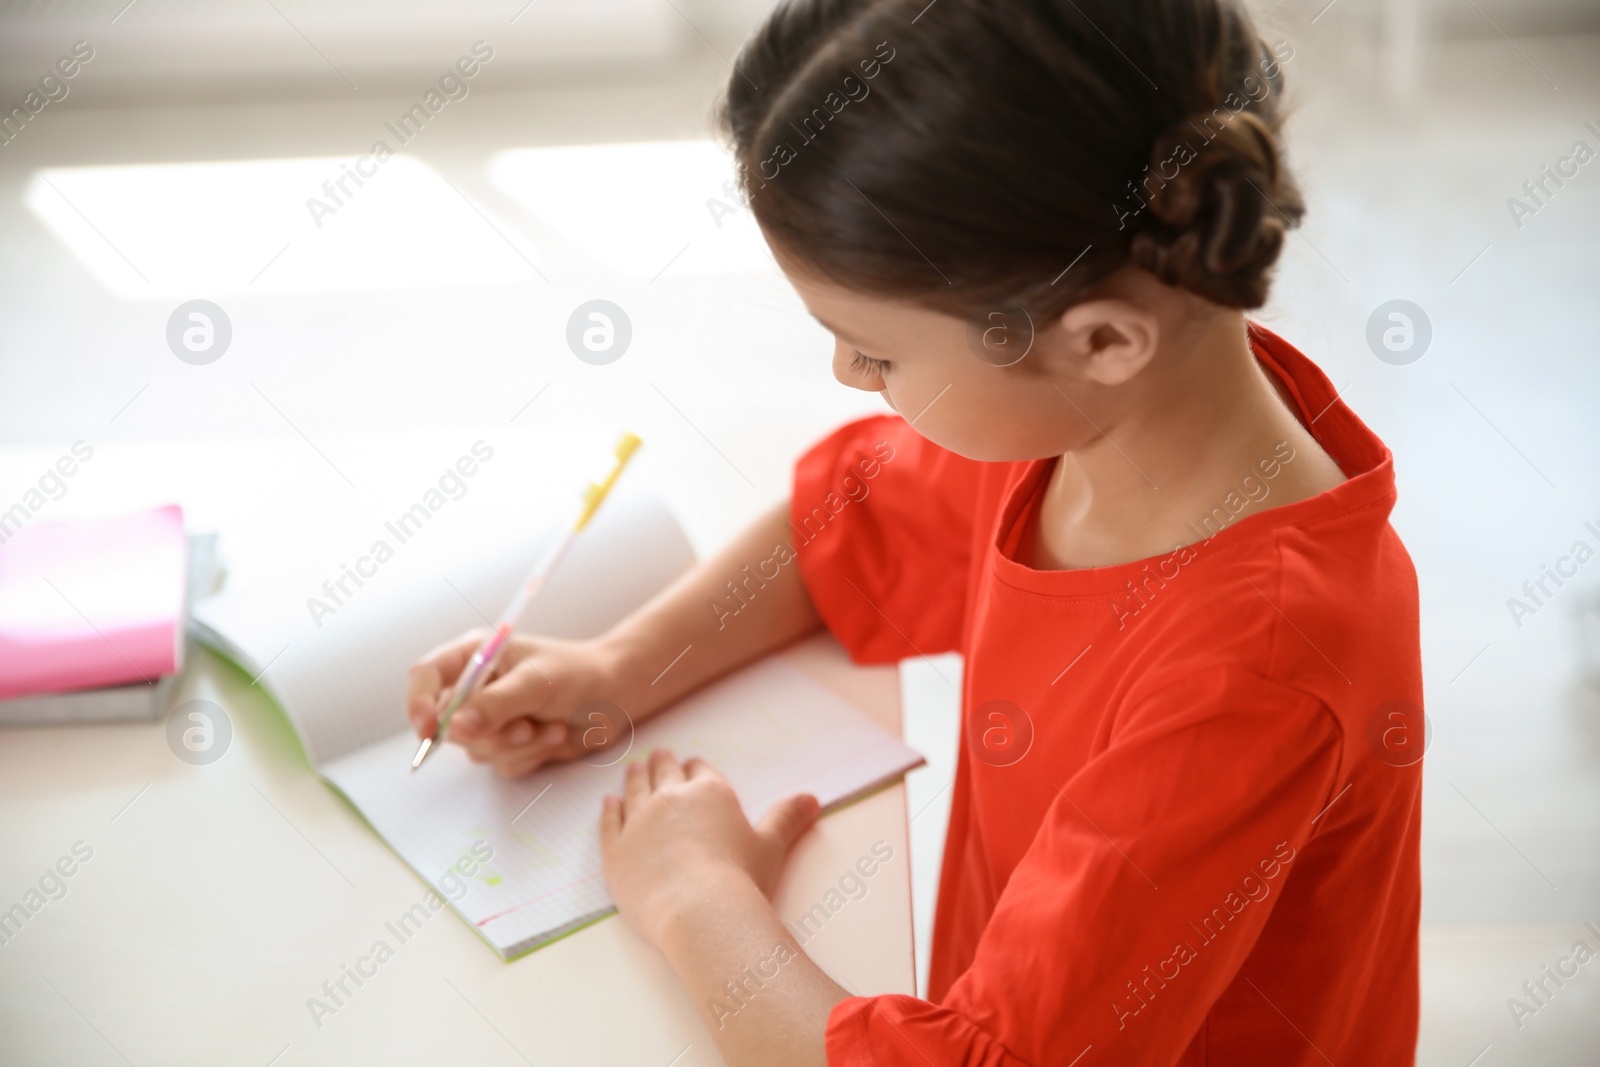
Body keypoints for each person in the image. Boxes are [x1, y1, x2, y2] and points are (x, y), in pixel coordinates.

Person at [407, 0, 1423, 1062]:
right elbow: (851, 521)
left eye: (875, 354)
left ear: (1105, 338)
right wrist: (614, 670)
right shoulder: (1086, 428)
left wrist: (693, 893)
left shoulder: (1252, 672)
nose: (847, 376)